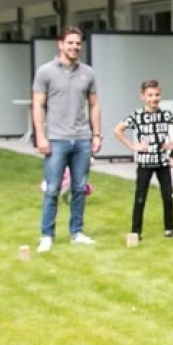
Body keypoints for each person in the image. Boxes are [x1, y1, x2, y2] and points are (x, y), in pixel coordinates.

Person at [31, 26, 101, 252]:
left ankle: (77, 232)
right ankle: (47, 235)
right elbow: (38, 105)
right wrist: (41, 136)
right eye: (70, 43)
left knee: (80, 188)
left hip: (82, 139)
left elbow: (94, 105)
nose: (75, 47)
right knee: (52, 189)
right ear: (60, 44)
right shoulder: (45, 72)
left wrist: (96, 135)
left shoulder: (88, 73)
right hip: (56, 139)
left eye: (78, 43)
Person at [113, 79, 173, 240]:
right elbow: (117, 130)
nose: (154, 98)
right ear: (143, 96)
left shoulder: (166, 115)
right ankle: (136, 231)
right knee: (140, 196)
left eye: (157, 95)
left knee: (167, 195)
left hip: (163, 162)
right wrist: (132, 145)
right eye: (150, 95)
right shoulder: (137, 116)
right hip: (145, 162)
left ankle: (169, 229)